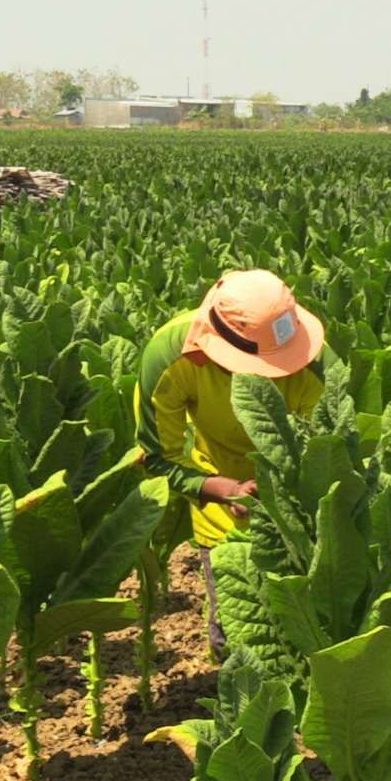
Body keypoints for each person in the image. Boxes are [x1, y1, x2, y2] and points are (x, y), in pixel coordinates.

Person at [135, 269, 325, 654]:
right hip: (218, 490)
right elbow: (158, 458)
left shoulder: (314, 363)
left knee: (308, 625)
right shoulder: (171, 358)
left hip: (298, 503)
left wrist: (284, 497)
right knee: (238, 634)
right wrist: (216, 488)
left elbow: (324, 455)